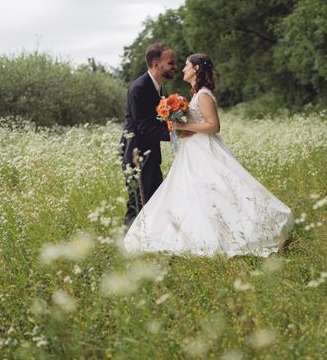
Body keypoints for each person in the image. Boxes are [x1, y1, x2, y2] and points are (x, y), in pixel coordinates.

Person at [124, 53, 294, 257]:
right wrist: (175, 123)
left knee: (215, 188)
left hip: (203, 147)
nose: (183, 69)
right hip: (192, 148)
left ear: (196, 69)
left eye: (186, 65)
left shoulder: (203, 94)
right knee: (192, 191)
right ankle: (196, 233)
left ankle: (231, 233)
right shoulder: (195, 93)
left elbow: (214, 126)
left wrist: (183, 125)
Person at [120, 43, 192, 227]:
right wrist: (176, 133)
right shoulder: (139, 88)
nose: (174, 66)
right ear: (155, 64)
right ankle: (127, 244)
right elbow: (143, 126)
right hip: (136, 154)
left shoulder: (158, 88)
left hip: (150, 154)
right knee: (137, 202)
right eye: (171, 62)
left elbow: (157, 120)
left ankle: (150, 242)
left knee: (155, 199)